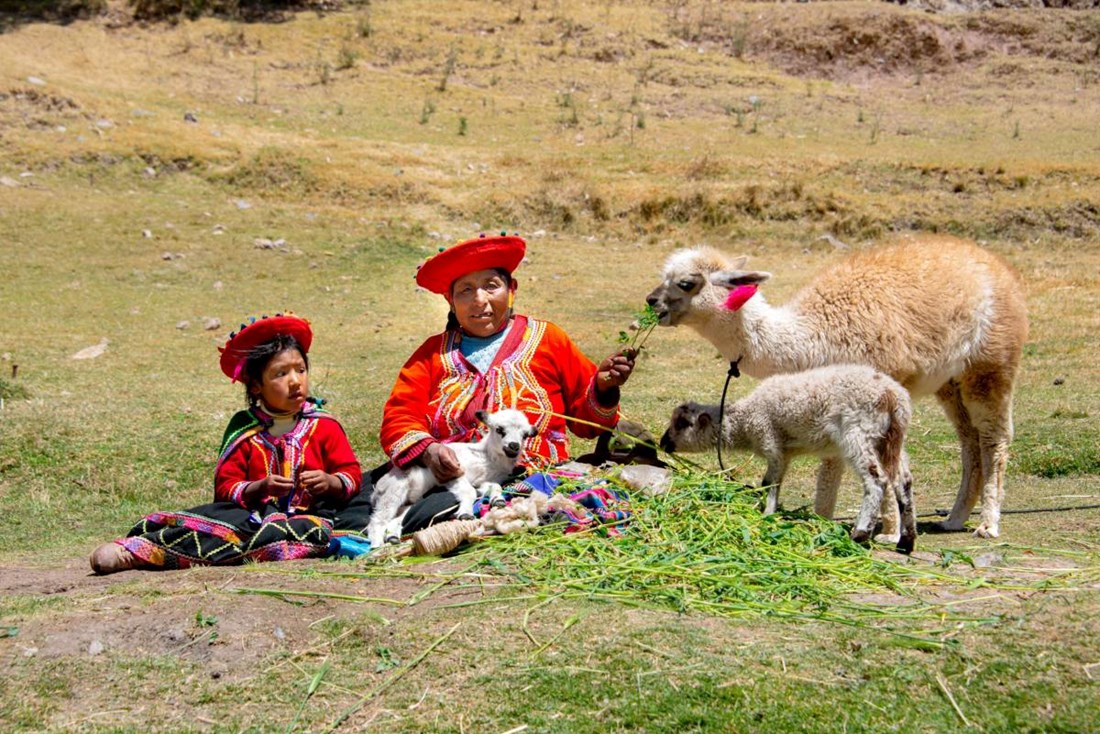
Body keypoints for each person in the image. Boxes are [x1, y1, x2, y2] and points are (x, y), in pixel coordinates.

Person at [378, 233, 635, 533]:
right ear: (450, 300)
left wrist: (603, 388)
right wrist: (430, 452)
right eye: (465, 290)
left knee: (431, 512)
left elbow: (587, 424)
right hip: (452, 477)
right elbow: (399, 418)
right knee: (376, 501)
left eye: (491, 286)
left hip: (530, 476)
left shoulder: (548, 340)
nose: (480, 300)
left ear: (511, 289)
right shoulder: (431, 354)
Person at [89, 313, 370, 574]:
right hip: (250, 518)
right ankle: (135, 552)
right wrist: (259, 487)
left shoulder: (324, 426)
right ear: (256, 386)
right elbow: (225, 488)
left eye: (300, 370)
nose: (295, 381)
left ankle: (256, 548)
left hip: (312, 517)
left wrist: (330, 482)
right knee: (221, 526)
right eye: (280, 374)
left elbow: (351, 475)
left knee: (347, 518)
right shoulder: (245, 429)